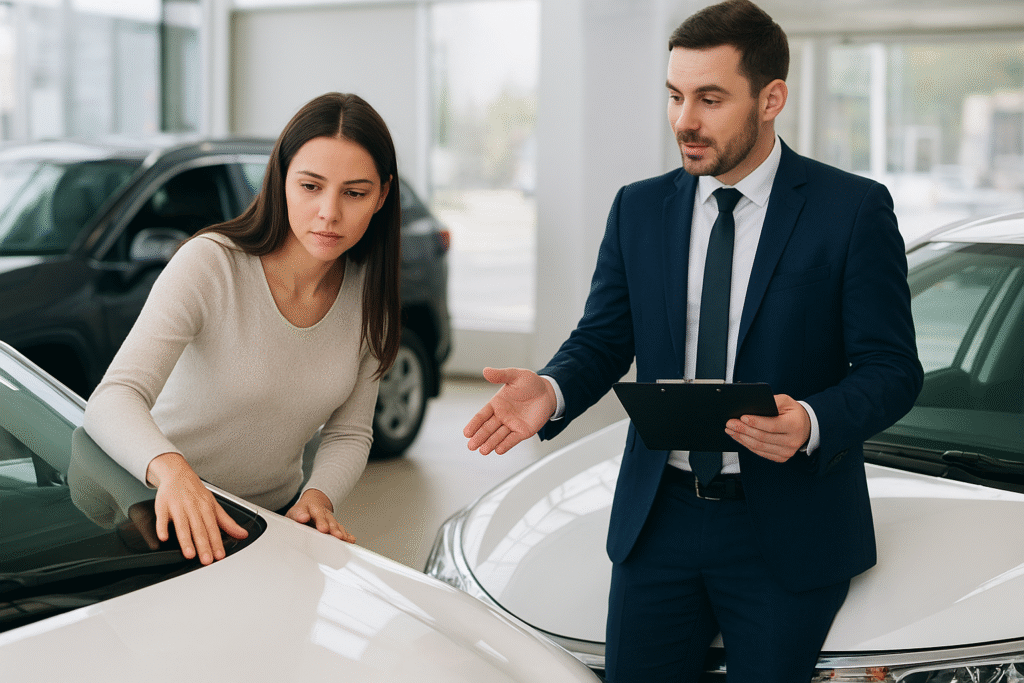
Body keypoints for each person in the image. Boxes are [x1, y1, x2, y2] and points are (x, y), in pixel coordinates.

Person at [464, 2, 923, 681]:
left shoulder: (851, 210)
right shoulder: (639, 208)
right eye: (675, 95)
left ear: (772, 99)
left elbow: (891, 368)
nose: (684, 119)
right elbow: (603, 337)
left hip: (788, 526)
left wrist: (813, 420)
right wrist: (553, 387)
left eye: (710, 98)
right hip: (661, 520)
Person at [84, 92, 401, 567]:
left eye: (354, 193)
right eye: (311, 186)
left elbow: (349, 434)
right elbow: (113, 399)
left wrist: (319, 497)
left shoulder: (370, 296)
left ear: (382, 194)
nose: (329, 213)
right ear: (280, 179)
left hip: (263, 521)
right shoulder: (210, 263)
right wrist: (174, 474)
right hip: (146, 507)